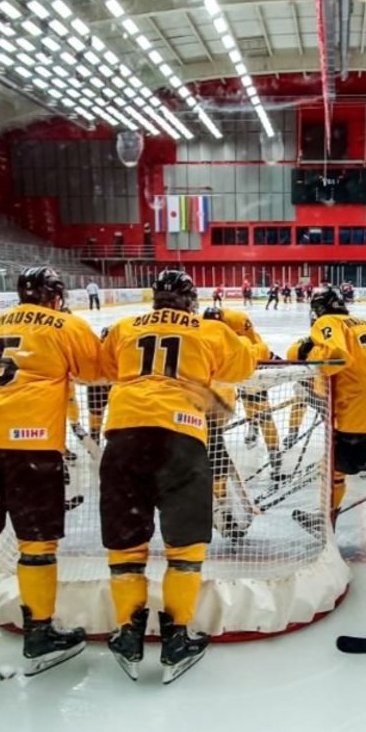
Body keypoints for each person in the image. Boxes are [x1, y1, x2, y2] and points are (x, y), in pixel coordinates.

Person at [0, 267, 103, 678]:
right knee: (36, 545)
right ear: (55, 296)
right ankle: (40, 632)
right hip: (30, 442)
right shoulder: (67, 323)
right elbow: (95, 372)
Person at [100, 271, 258, 683]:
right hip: (181, 437)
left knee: (126, 547)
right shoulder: (209, 329)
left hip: (124, 435)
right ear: (190, 300)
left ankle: (127, 632)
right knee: (185, 549)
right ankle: (177, 637)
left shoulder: (123, 327)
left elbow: (102, 366)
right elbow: (243, 365)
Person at [301, 284, 366, 551]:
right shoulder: (364, 324)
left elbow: (336, 358)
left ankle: (327, 523)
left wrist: (310, 355)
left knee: (334, 472)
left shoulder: (327, 322)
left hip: (359, 412)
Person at [203, 305, 284, 480]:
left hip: (237, 369)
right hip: (225, 374)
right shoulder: (208, 330)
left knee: (259, 408)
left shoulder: (238, 321)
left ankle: (272, 452)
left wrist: (265, 358)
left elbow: (256, 345)